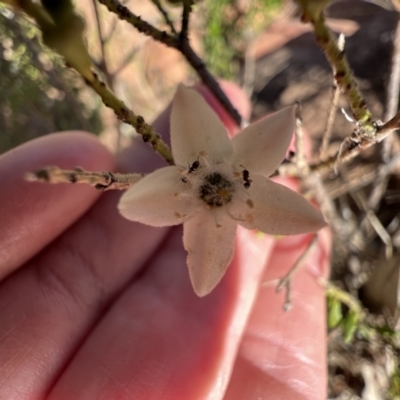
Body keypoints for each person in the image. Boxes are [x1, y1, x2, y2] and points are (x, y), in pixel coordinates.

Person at [0, 82, 330, 399]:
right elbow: (138, 202)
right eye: (214, 188)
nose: (217, 190)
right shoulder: (172, 182)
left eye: (218, 189)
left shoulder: (255, 182)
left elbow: (290, 214)